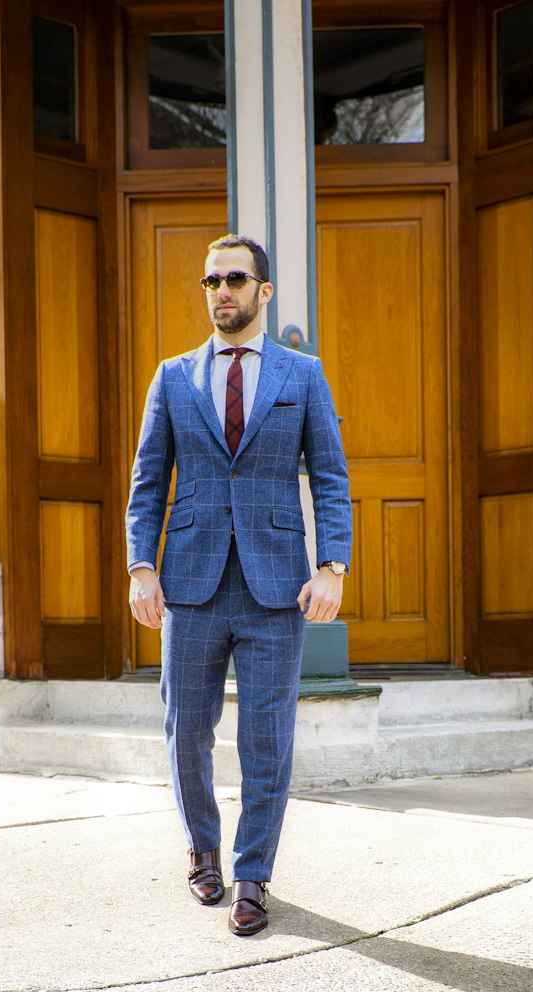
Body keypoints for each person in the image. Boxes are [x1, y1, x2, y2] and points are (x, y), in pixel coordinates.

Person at [125, 233, 351, 936]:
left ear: (264, 291)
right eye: (210, 281)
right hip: (190, 584)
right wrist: (140, 567)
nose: (220, 291)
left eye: (234, 279)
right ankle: (203, 850)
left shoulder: (303, 376)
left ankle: (253, 872)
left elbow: (332, 477)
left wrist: (331, 566)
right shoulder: (172, 377)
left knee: (267, 737)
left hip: (275, 585)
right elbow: (147, 482)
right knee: (185, 727)